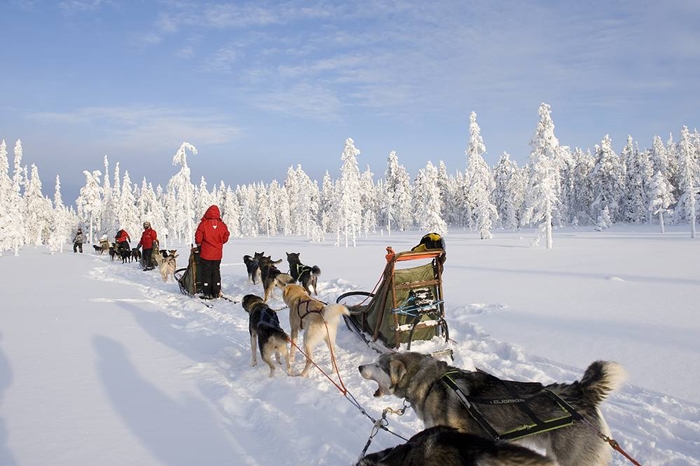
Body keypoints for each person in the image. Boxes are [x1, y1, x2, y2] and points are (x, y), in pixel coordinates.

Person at [195, 205, 230, 299]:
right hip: (217, 254)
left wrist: (199, 245)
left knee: (206, 272)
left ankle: (206, 291)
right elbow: (226, 236)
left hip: (206, 253)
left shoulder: (203, 224)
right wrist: (219, 242)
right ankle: (216, 290)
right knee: (216, 271)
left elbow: (198, 238)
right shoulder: (222, 225)